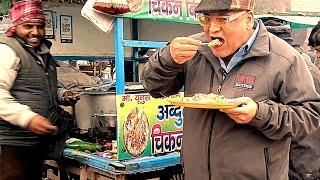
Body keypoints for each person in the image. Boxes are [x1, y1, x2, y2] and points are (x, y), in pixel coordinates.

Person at [141, 0, 320, 179]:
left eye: (223, 19)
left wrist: (259, 113)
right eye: (206, 19)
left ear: (248, 19)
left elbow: (309, 116)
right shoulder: (193, 49)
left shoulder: (284, 58)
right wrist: (168, 59)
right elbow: (154, 87)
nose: (212, 30)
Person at [0, 0, 78, 179]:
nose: (35, 32)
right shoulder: (8, 51)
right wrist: (28, 118)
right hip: (12, 144)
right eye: (28, 26)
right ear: (16, 25)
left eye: (40, 26)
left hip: (35, 143)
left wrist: (61, 94)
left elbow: (38, 87)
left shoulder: (42, 53)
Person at [264, 19, 320, 180]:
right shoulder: (309, 68)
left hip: (299, 163)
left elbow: (302, 120)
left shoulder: (288, 69)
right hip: (307, 162)